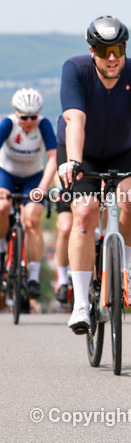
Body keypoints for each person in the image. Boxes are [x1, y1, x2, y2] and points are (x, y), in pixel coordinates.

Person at [58, 15, 131, 334]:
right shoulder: (75, 70)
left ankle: (125, 271)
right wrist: (74, 162)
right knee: (84, 214)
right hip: (82, 152)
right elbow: (74, 119)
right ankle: (80, 303)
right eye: (104, 50)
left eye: (117, 49)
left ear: (124, 49)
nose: (112, 57)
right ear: (92, 51)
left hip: (123, 149)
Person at [0, 88, 58, 304]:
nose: (29, 121)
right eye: (24, 117)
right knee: (2, 207)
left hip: (33, 177)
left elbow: (53, 158)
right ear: (16, 114)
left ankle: (32, 277)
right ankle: (1, 251)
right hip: (5, 174)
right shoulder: (8, 124)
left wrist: (42, 189)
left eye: (33, 116)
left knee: (33, 217)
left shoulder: (43, 125)